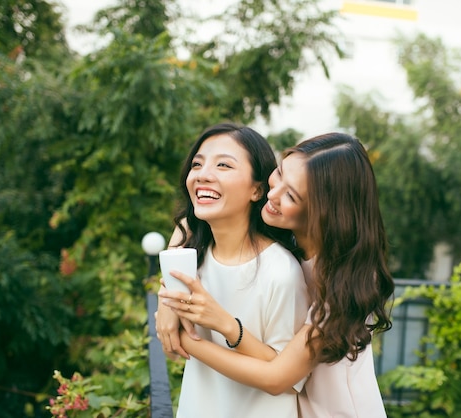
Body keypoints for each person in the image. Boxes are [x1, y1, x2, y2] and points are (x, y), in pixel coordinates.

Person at [159, 132, 395, 417]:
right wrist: (169, 299)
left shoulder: (344, 279)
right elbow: (189, 222)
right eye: (279, 174)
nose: (272, 195)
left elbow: (278, 377)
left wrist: (188, 337)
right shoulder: (289, 238)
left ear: (323, 211)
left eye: (291, 195)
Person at [158, 122, 309, 418]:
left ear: (257, 190)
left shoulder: (280, 272)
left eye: (224, 165)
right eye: (197, 164)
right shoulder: (193, 257)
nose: (203, 174)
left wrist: (216, 326)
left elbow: (288, 380)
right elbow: (186, 226)